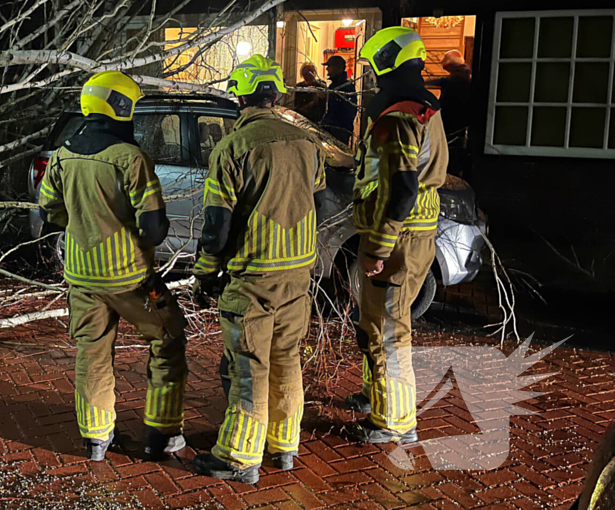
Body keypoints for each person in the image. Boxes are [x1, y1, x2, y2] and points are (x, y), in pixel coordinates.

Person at [38, 71, 189, 462]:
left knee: (92, 352)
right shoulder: (130, 158)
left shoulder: (64, 155)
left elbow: (50, 212)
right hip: (130, 279)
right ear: (120, 107)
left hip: (81, 278)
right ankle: (162, 434)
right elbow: (154, 230)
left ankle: (95, 439)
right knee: (168, 337)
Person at [190, 55, 326, 483]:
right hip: (298, 274)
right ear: (275, 95)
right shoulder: (308, 142)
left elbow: (217, 223)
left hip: (253, 278)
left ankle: (238, 457)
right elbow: (316, 201)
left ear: (242, 97)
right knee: (287, 359)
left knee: (248, 365)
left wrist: (205, 273)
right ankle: (284, 447)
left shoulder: (233, 147)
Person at [346, 27, 449, 444]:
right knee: (376, 322)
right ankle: (378, 398)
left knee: (389, 328)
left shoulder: (401, 114)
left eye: (373, 67)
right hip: (412, 233)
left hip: (398, 239)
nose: (372, 77)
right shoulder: (424, 107)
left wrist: (379, 247)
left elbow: (401, 186)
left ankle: (396, 422)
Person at [427, 51, 473, 176]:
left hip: (453, 121)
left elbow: (448, 102)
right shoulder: (464, 74)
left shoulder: (457, 78)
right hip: (460, 121)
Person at [322, 54, 358, 145]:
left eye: (329, 66)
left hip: (339, 130)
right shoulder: (333, 85)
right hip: (331, 128)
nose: (327, 69)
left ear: (339, 68)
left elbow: (347, 111)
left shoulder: (346, 87)